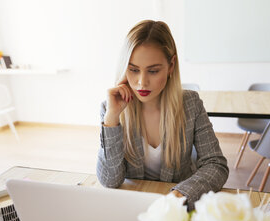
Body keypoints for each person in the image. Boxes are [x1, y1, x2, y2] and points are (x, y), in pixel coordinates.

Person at [97, 20, 228, 210]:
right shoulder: (111, 107)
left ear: (171, 66)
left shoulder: (190, 104)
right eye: (133, 70)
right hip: (132, 206)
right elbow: (109, 181)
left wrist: (180, 195)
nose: (142, 82)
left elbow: (216, 165)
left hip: (177, 207)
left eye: (153, 71)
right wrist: (112, 118)